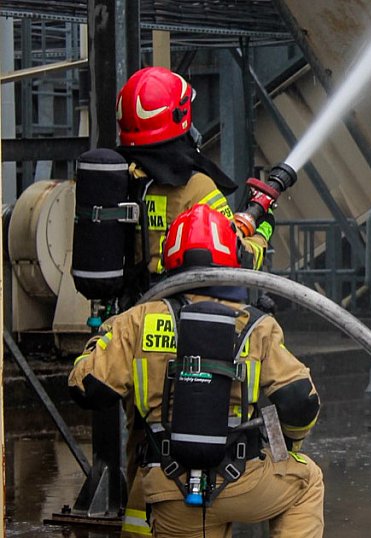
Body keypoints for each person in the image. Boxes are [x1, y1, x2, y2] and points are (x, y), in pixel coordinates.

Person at [68, 205, 323, 537]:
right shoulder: (255, 324)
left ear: (170, 260)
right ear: (230, 259)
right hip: (241, 481)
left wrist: (100, 340)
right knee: (308, 481)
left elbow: (87, 388)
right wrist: (290, 446)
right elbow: (300, 400)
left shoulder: (137, 320)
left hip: (167, 487)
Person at [115, 65, 273, 282]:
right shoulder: (195, 187)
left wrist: (237, 226)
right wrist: (262, 233)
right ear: (180, 116)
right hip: (177, 306)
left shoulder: (117, 176)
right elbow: (237, 261)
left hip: (128, 309)